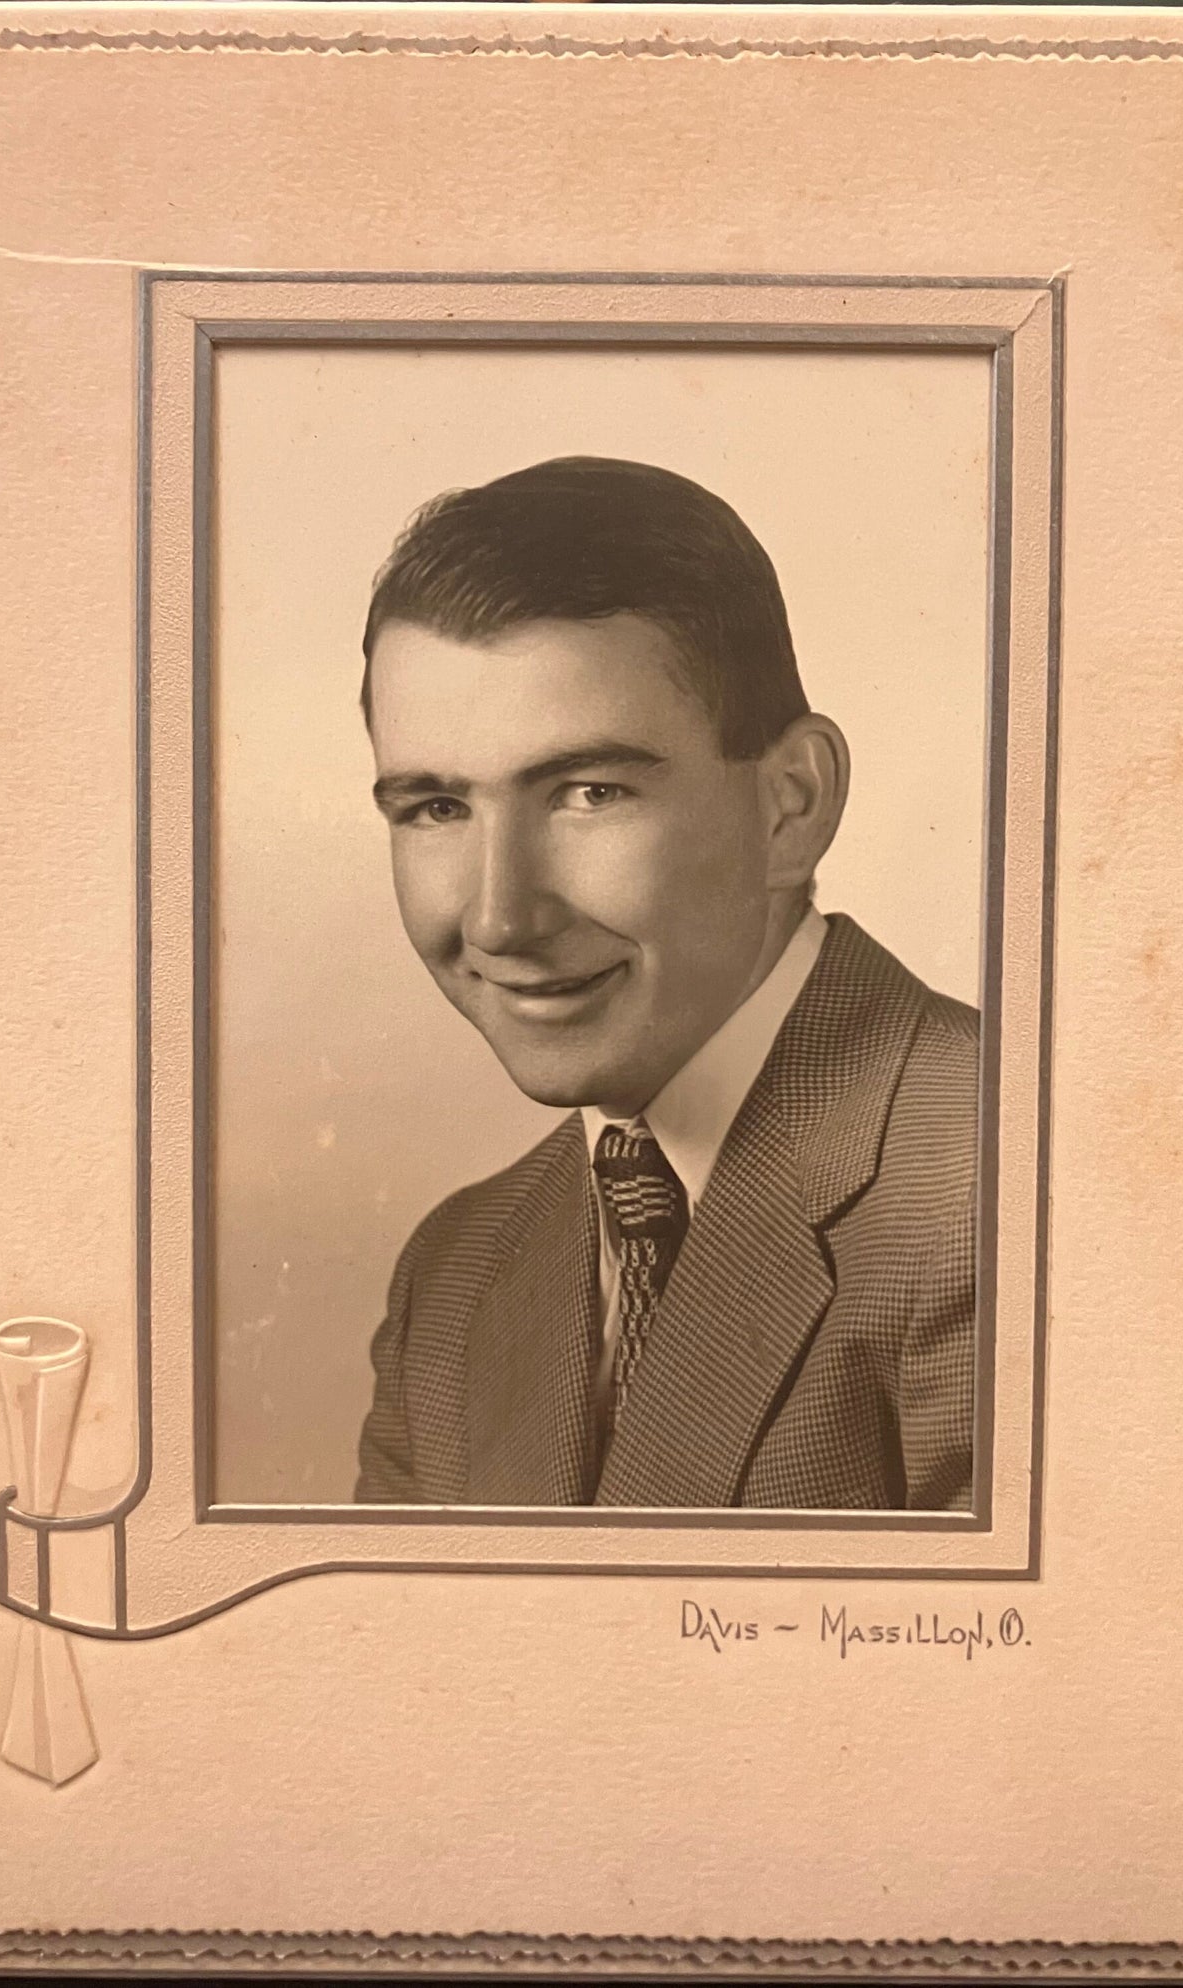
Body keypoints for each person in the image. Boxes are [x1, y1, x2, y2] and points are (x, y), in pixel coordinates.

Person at [354, 456, 977, 1511]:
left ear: (790, 804)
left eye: (588, 792)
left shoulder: (1010, 1196)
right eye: (436, 807)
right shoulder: (452, 1278)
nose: (501, 916)